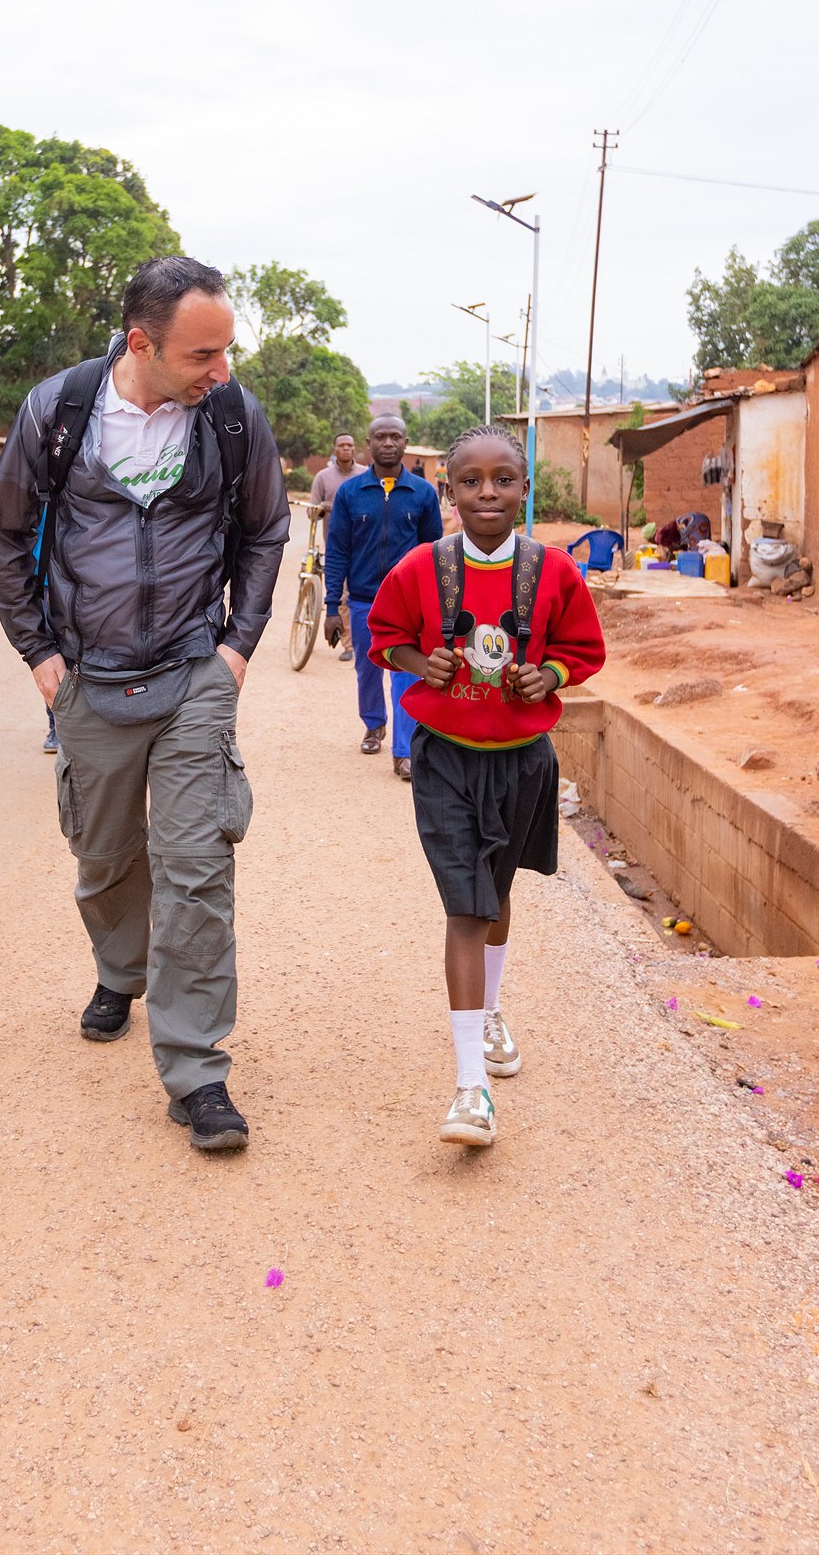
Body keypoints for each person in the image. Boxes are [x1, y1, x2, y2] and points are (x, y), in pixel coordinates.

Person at [0, 256, 290, 1153]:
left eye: (227, 351)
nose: (221, 372)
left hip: (195, 672)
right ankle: (121, 969)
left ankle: (196, 1071)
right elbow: (4, 535)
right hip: (90, 677)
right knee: (106, 856)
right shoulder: (60, 410)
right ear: (142, 342)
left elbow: (267, 527)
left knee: (196, 867)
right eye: (203, 355)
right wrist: (38, 653)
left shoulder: (229, 414)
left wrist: (237, 647)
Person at [366, 424, 605, 1146]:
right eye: (470, 481)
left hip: (522, 758)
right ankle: (471, 1090)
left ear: (524, 489)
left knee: (496, 894)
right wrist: (419, 661)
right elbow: (386, 635)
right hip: (445, 759)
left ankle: (491, 1006)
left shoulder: (554, 571)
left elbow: (582, 648)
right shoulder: (421, 568)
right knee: (466, 908)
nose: (488, 492)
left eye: (504, 479)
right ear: (449, 492)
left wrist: (550, 674)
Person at [323, 414, 443, 782]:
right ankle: (373, 725)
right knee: (368, 669)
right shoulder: (350, 493)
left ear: (405, 443)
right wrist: (331, 607)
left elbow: (433, 552)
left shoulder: (422, 493)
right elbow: (338, 550)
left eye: (395, 436)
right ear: (368, 443)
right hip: (362, 600)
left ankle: (404, 752)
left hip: (409, 604)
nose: (388, 443)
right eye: (380, 437)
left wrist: (436, 605)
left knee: (406, 673)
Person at [308, 432, 366, 660]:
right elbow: (312, 512)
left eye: (349, 445)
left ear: (355, 449)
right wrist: (323, 507)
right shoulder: (323, 477)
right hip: (337, 546)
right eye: (341, 445)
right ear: (334, 449)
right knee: (341, 596)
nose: (346, 449)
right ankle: (349, 645)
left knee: (362, 595)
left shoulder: (364, 475)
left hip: (364, 546)